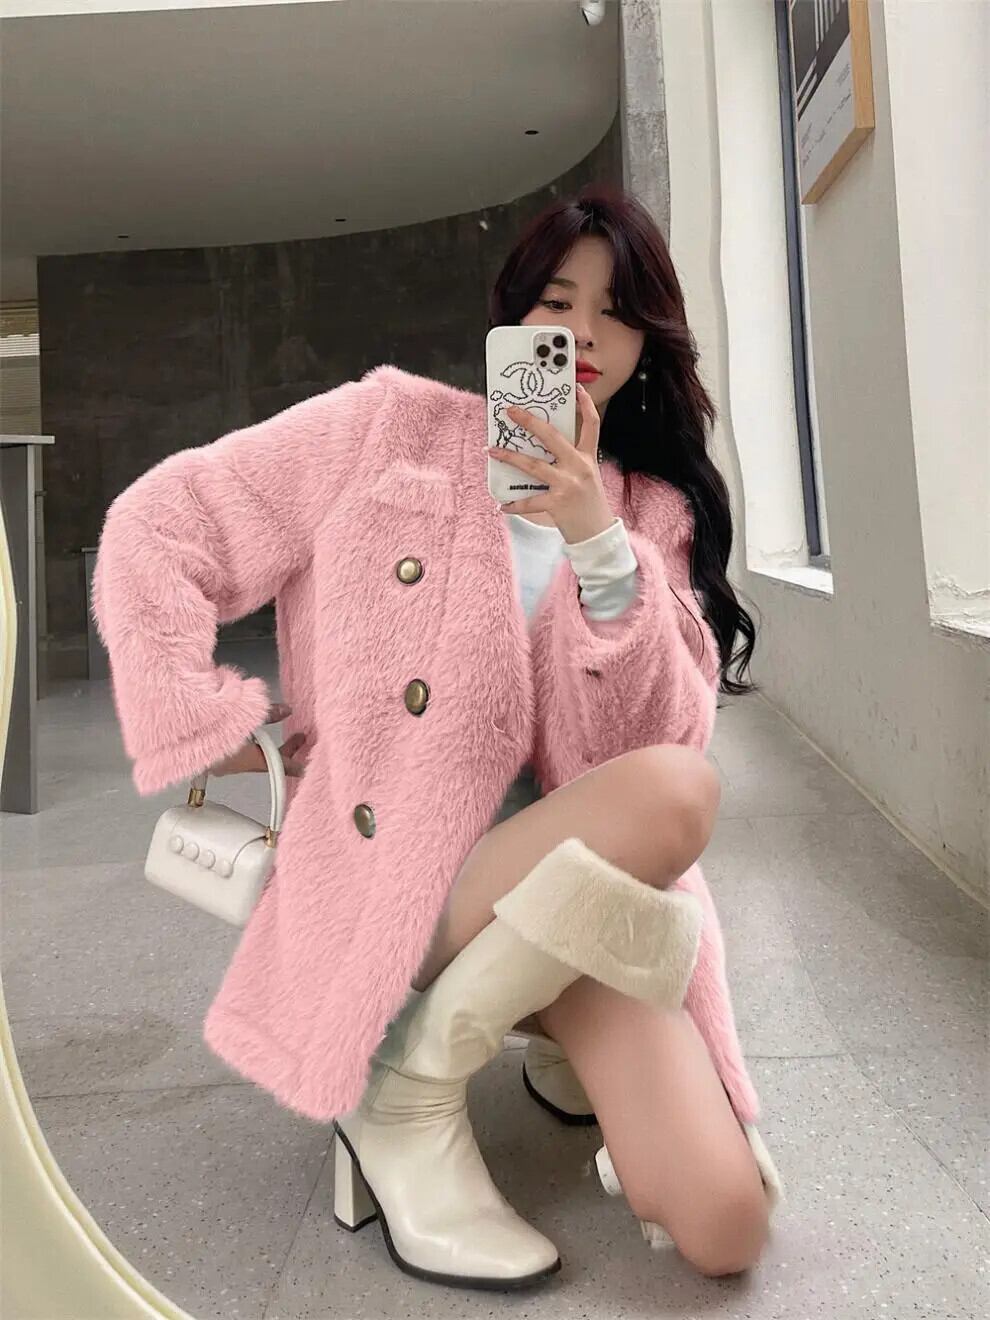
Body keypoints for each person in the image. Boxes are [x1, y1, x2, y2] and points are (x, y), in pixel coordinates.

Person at [92, 184, 781, 1293]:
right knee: (675, 793)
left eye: (616, 312)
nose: (582, 333)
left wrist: (595, 539)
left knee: (726, 1224)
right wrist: (194, 710)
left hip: (580, 894)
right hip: (402, 884)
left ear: (647, 343)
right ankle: (402, 1095)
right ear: (514, 315)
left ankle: (469, 1050)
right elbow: (162, 524)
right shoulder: (387, 429)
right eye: (558, 301)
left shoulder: (649, 508)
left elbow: (646, 738)